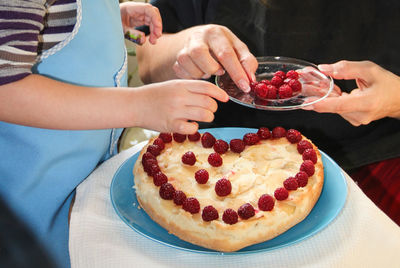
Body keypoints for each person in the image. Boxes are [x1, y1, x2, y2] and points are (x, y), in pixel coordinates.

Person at [0, 1, 228, 267]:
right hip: (28, 208)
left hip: (79, 182)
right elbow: (6, 88)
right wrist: (139, 105)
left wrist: (110, 22)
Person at [136, 0, 400, 225]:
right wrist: (187, 45)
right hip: (215, 156)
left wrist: (396, 100)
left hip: (375, 157)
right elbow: (147, 60)